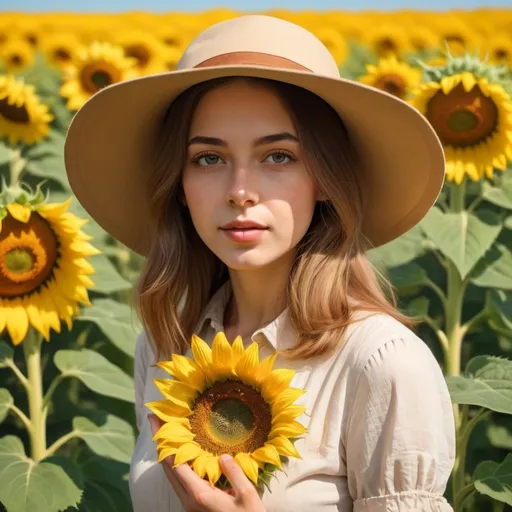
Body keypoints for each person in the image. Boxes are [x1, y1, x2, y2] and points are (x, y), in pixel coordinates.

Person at [64, 14, 456, 512]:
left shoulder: (380, 364)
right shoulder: (167, 345)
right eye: (209, 158)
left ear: (325, 179)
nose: (240, 192)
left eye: (278, 156)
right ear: (179, 187)